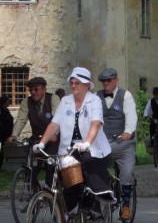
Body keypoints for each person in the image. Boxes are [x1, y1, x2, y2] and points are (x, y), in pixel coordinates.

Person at [34, 66, 113, 214]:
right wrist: (42, 143)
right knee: (57, 168)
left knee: (88, 162)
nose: (73, 85)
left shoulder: (94, 100)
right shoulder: (65, 101)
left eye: (77, 82)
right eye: (72, 82)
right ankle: (63, 213)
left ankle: (92, 204)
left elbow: (95, 124)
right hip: (69, 148)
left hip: (92, 146)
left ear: (86, 85)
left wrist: (87, 143)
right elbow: (54, 124)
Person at [98, 67, 138, 221]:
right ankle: (97, 201)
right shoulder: (97, 97)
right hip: (104, 142)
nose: (105, 83)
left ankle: (126, 205)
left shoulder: (125, 96)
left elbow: (131, 117)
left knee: (127, 172)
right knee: (92, 166)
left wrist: (128, 132)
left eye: (109, 80)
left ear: (116, 80)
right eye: (103, 81)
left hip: (123, 142)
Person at [9, 76, 60, 188]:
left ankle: (49, 192)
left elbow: (57, 119)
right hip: (37, 139)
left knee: (50, 167)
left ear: (44, 89)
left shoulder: (53, 99)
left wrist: (54, 134)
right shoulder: (26, 102)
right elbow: (21, 120)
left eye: (36, 89)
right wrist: (14, 135)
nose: (33, 92)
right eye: (30, 90)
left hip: (53, 140)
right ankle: (34, 194)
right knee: (31, 167)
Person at [0, 95, 14, 169]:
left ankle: (0, 163)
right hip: (2, 132)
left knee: (4, 148)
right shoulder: (0, 110)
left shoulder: (6, 109)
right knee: (3, 147)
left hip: (8, 132)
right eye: (8, 101)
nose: (9, 102)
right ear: (4, 102)